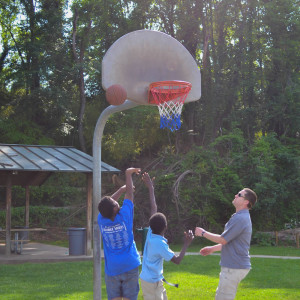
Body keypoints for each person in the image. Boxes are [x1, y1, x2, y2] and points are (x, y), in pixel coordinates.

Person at [195, 188, 257, 300]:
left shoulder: (240, 218)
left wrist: (203, 233)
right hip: (235, 266)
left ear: (246, 202)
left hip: (233, 267)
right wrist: (213, 249)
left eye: (239, 194)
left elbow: (223, 239)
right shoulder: (240, 217)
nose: (235, 195)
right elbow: (230, 242)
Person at [140, 172, 194, 300]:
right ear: (165, 227)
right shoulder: (160, 244)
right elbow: (177, 260)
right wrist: (186, 243)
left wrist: (151, 188)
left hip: (152, 280)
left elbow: (154, 207)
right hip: (152, 283)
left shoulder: (150, 233)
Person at [98, 167, 141, 300]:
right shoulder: (125, 216)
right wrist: (128, 174)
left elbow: (106, 204)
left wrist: (121, 190)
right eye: (117, 203)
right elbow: (130, 193)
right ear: (116, 208)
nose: (118, 202)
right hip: (130, 265)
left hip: (112, 269)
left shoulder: (101, 220)